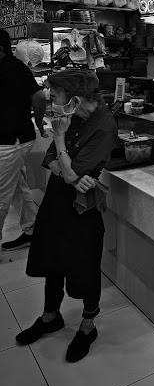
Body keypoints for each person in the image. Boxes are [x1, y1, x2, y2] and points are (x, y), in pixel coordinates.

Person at [16, 69, 117, 363]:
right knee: (50, 257)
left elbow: (70, 166)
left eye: (55, 96)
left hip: (81, 207)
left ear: (74, 99)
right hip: (58, 197)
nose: (51, 101)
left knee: (84, 263)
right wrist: (70, 175)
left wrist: (61, 143)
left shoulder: (103, 127)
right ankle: (50, 316)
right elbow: (51, 160)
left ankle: (88, 326)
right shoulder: (72, 115)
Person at [0, 29, 46, 252]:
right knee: (17, 185)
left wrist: (38, 123)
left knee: (1, 195)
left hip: (13, 141)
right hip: (11, 139)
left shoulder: (15, 69)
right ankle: (32, 229)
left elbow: (39, 96)